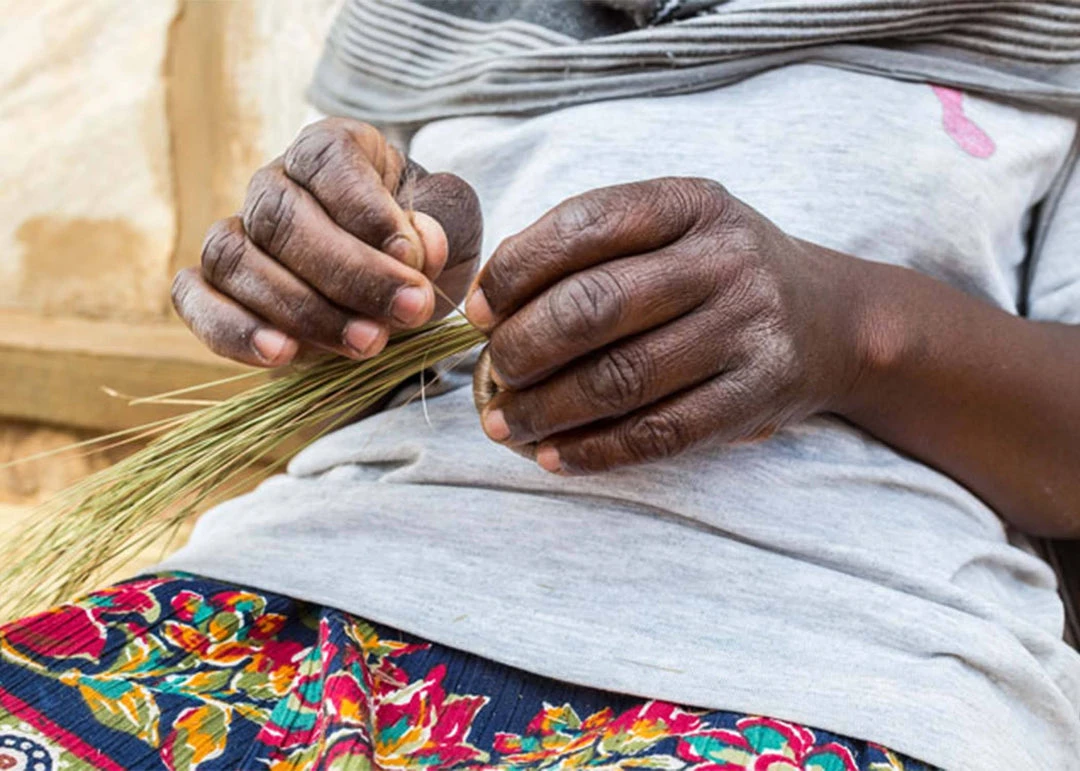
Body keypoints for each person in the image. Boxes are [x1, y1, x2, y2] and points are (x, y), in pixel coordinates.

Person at [1, 2, 1079, 769]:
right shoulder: (440, 21)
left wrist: (852, 329)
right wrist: (346, 271)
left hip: (828, 657)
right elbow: (391, 280)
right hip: (308, 590)